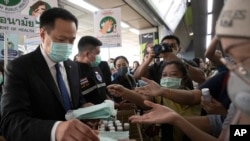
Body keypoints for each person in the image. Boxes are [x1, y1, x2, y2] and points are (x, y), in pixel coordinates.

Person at [129, 0, 250, 140]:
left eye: (245, 60)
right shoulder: (238, 102)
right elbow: (227, 134)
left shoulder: (188, 64)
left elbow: (199, 80)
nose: (238, 71)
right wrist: (174, 118)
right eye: (234, 60)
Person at [0, 8, 99, 141]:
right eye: (61, 39)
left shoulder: (73, 66)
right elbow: (10, 122)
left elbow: (77, 100)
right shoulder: (20, 68)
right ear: (42, 35)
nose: (67, 46)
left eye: (71, 40)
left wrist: (84, 108)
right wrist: (55, 130)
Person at [108, 60, 201, 140]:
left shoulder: (195, 96)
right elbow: (143, 101)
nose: (168, 78)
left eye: (173, 75)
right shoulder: (158, 96)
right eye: (164, 75)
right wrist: (125, 92)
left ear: (184, 78)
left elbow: (191, 98)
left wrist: (163, 91)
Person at [134, 35, 206, 84]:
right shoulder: (157, 66)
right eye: (165, 46)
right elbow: (137, 77)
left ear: (179, 49)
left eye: (172, 46)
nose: (168, 49)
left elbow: (202, 78)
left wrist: (179, 61)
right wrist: (148, 60)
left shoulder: (188, 63)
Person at [76, 36, 109, 105]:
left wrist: (113, 103)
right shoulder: (73, 71)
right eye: (97, 53)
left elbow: (102, 91)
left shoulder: (96, 67)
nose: (99, 56)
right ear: (87, 54)